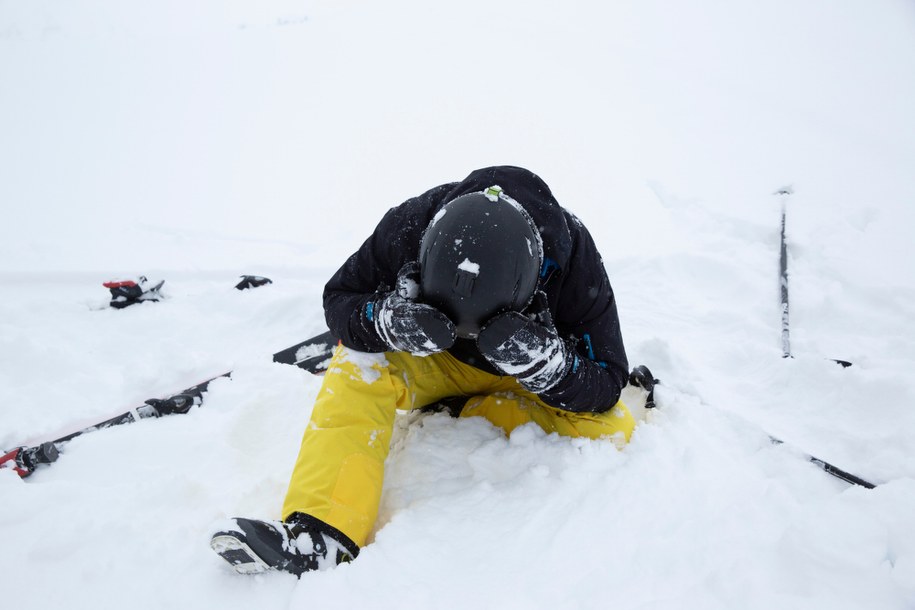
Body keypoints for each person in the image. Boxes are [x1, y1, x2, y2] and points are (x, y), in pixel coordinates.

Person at [210, 165, 634, 576]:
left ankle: (468, 408)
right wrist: (386, 321)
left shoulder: (575, 259)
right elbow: (340, 298)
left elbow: (610, 380)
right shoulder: (411, 224)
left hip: (519, 373)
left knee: (616, 428)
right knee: (357, 363)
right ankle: (323, 533)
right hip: (437, 358)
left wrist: (548, 363)